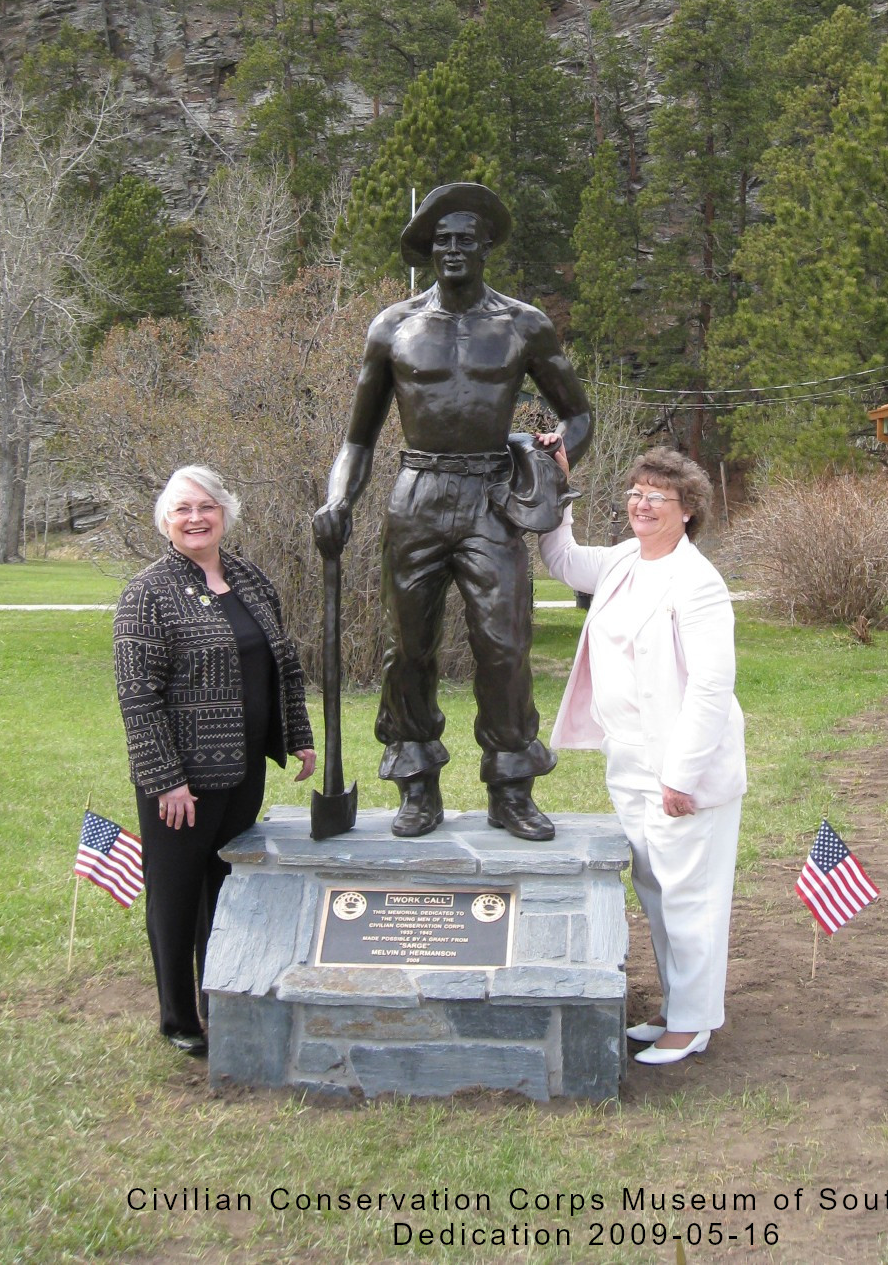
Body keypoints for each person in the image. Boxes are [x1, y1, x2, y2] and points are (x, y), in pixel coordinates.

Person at [312, 182, 591, 842]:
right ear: (429, 250)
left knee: (504, 643)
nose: (454, 249)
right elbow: (358, 438)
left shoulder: (523, 324)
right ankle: (415, 778)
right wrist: (337, 497)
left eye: (466, 238)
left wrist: (559, 452)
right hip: (416, 492)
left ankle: (511, 782)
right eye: (442, 240)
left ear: (487, 246)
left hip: (491, 495)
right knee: (406, 646)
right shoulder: (393, 327)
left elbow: (578, 412)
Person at [539, 442, 745, 1066]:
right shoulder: (626, 560)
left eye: (659, 496)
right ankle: (676, 1005)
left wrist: (680, 775)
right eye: (636, 492)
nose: (642, 504)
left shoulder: (697, 583)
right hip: (626, 758)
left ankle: (694, 1021)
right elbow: (564, 560)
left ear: (689, 511)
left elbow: (712, 687)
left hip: (681, 767)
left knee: (690, 893)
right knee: (655, 888)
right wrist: (558, 483)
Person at [114, 465, 316, 1055]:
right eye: (182, 510)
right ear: (165, 522)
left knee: (225, 888)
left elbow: (284, 664)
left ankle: (218, 997)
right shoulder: (148, 593)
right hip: (183, 783)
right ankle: (179, 1019)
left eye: (205, 506)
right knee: (176, 895)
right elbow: (137, 697)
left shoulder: (251, 579)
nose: (195, 518)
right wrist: (165, 781)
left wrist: (297, 736)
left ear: (225, 512)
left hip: (243, 772)